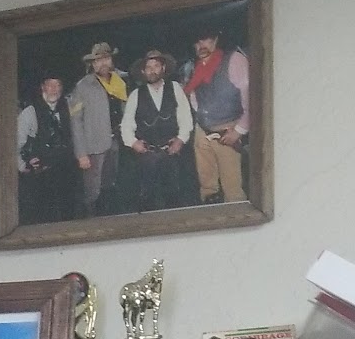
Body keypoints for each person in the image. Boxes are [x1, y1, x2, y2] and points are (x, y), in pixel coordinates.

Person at [179, 28, 251, 203]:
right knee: (207, 187)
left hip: (228, 130)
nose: (201, 45)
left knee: (233, 188)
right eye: (197, 42)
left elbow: (252, 98)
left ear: (216, 40)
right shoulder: (194, 67)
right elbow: (194, 97)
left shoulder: (234, 60)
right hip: (202, 131)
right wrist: (201, 120)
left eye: (206, 40)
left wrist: (239, 130)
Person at [120, 50, 197, 211]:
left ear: (163, 68)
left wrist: (180, 140)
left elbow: (186, 117)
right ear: (143, 71)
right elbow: (126, 125)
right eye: (148, 67)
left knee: (175, 199)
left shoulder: (175, 88)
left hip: (173, 153)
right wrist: (134, 143)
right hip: (147, 157)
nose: (152, 70)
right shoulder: (136, 95)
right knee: (148, 201)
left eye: (156, 66)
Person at [69, 40, 128, 214]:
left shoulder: (121, 82)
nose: (103, 63)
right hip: (93, 147)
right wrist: (81, 153)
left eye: (106, 58)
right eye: (98, 60)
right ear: (92, 64)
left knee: (110, 185)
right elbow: (76, 121)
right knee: (92, 191)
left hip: (117, 143)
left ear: (112, 60)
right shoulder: (82, 86)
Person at [16, 74, 80, 223]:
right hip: (41, 173)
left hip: (65, 169)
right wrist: (22, 165)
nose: (54, 89)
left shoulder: (68, 108)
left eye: (57, 85)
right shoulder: (30, 112)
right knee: (43, 215)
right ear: (43, 87)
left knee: (68, 212)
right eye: (50, 85)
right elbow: (17, 142)